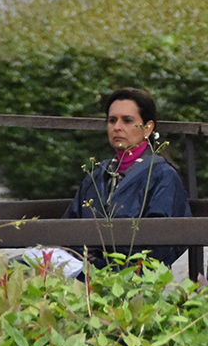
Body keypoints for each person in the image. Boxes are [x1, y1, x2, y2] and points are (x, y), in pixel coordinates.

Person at [63, 87, 190, 267]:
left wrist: (110, 265)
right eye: (112, 120)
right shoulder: (98, 175)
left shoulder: (162, 176)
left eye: (127, 120)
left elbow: (163, 241)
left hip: (133, 278)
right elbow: (68, 229)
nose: (117, 127)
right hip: (83, 274)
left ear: (148, 128)